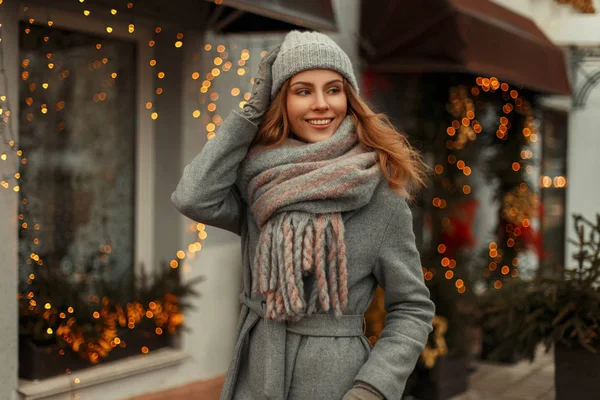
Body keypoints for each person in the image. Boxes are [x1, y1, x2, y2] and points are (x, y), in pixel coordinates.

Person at [171, 31, 435, 400]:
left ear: (349, 98)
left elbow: (412, 308)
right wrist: (249, 114)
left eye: (333, 89)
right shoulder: (260, 185)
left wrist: (372, 389)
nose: (322, 104)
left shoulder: (380, 195)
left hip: (336, 384)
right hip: (256, 374)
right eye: (303, 91)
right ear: (281, 100)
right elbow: (193, 196)